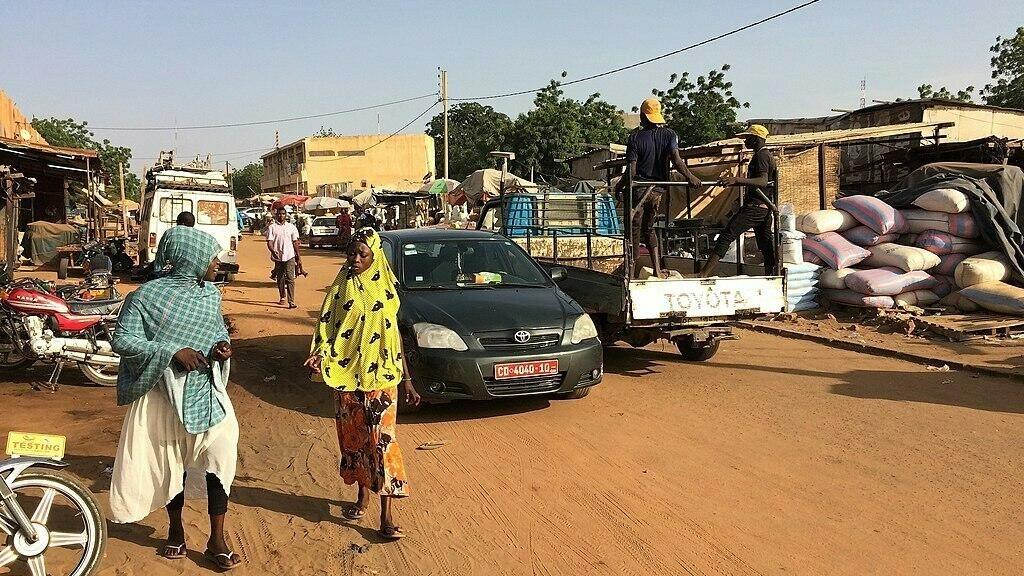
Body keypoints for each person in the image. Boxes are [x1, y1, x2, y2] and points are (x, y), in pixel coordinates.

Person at [109, 226, 242, 571]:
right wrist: (172, 351)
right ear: (192, 258)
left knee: (220, 456)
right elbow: (122, 340)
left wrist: (219, 348)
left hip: (206, 391)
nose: (216, 264)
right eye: (211, 257)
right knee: (173, 464)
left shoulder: (210, 294)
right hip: (162, 396)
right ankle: (176, 530)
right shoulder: (144, 297)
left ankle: (217, 539)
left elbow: (216, 331)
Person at [303, 227, 420, 540]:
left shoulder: (387, 290)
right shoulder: (341, 288)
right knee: (355, 442)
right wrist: (319, 354)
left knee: (383, 443)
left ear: (375, 256)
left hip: (382, 379)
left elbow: (393, 336)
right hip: (348, 378)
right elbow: (327, 327)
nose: (354, 259)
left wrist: (407, 380)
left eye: (361, 254)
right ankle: (361, 495)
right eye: (351, 253)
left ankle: (387, 516)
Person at [615, 98, 702, 278]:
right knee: (649, 228)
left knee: (633, 231)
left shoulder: (635, 138)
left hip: (639, 189)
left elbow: (631, 170)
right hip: (657, 191)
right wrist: (691, 177)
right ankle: (656, 269)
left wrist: (620, 185)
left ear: (643, 116)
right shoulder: (669, 135)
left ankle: (629, 274)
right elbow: (676, 160)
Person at [699, 124, 779, 277]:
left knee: (727, 235)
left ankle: (703, 274)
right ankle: (772, 275)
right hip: (763, 206)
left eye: (747, 138)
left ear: (756, 139)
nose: (745, 141)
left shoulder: (762, 156)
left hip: (755, 207)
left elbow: (762, 181)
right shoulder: (765, 155)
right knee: (765, 243)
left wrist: (736, 180)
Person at [266, 207, 302, 308]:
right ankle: (282, 296)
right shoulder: (272, 227)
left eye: (283, 214)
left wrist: (298, 256)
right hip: (278, 257)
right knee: (280, 278)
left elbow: (295, 242)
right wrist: (273, 251)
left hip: (290, 256)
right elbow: (269, 242)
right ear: (276, 215)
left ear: (286, 215)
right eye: (279, 214)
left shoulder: (291, 227)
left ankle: (291, 301)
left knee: (290, 278)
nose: (281, 216)